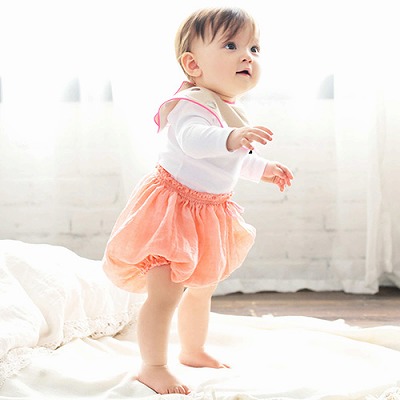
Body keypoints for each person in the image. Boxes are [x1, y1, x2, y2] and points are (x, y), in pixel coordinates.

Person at [102, 6, 294, 395]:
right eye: (231, 45)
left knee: (202, 286)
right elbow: (195, 141)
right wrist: (232, 138)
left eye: (254, 48)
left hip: (208, 211)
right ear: (193, 65)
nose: (247, 56)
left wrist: (264, 168)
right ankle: (153, 366)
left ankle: (193, 349)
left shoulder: (231, 112)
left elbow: (232, 159)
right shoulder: (191, 103)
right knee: (166, 292)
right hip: (172, 210)